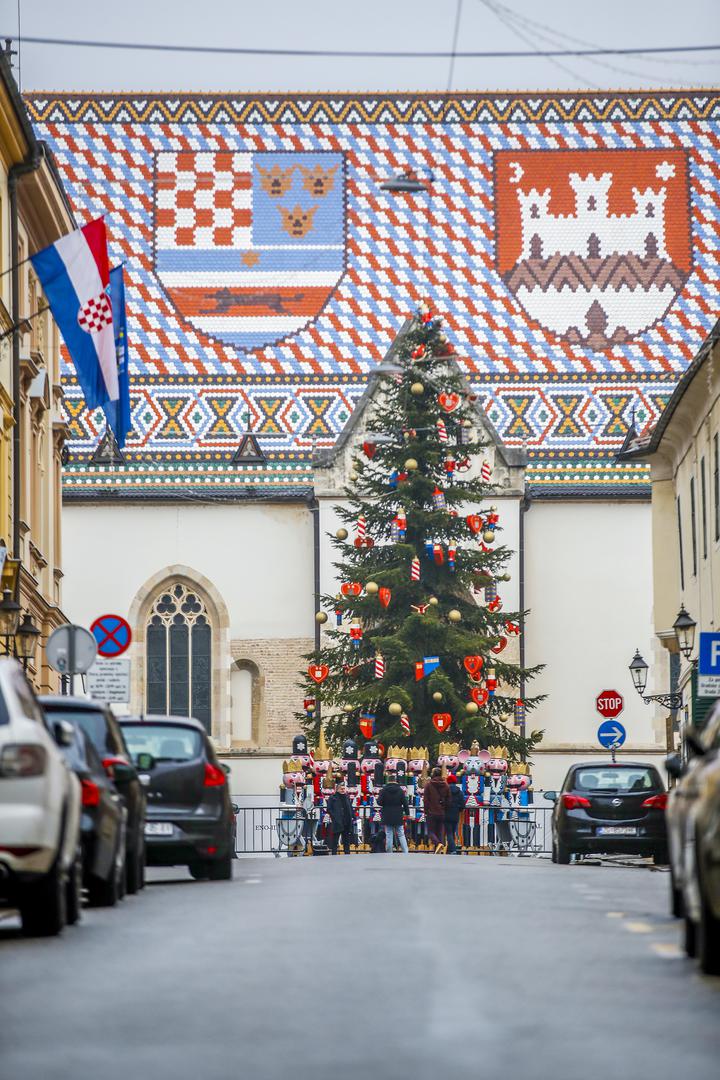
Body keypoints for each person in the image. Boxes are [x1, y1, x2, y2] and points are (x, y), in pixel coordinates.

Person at [378, 775, 410, 853]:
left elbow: (379, 802)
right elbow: (405, 803)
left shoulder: (383, 790)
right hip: (398, 815)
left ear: (388, 781)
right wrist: (407, 813)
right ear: (395, 781)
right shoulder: (400, 790)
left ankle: (389, 852)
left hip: (387, 814)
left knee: (389, 834)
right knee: (401, 834)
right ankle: (405, 852)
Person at [423, 767, 449, 853]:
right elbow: (449, 799)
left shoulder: (429, 785)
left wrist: (426, 811)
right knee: (440, 831)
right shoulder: (445, 785)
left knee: (430, 831)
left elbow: (426, 800)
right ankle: (440, 848)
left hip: (431, 811)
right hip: (442, 812)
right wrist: (444, 807)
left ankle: (438, 844)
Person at [326, 779, 355, 855]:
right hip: (337, 821)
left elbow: (350, 807)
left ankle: (347, 854)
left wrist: (352, 816)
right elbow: (329, 809)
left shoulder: (346, 797)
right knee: (335, 840)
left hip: (346, 821)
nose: (343, 790)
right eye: (341, 789)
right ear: (337, 789)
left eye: (343, 789)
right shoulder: (333, 797)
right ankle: (334, 854)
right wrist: (334, 817)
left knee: (346, 840)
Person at [445, 774, 464, 855]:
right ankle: (450, 849)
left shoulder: (445, 791)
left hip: (446, 813)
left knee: (448, 833)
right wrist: (458, 809)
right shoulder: (459, 792)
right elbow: (462, 805)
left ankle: (452, 850)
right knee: (452, 832)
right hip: (455, 814)